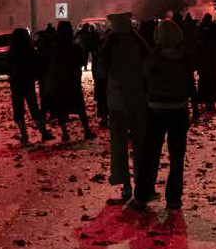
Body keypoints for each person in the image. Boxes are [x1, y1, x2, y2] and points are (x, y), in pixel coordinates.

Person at [130, 19, 198, 213]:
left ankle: (142, 194)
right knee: (177, 156)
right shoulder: (184, 58)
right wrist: (194, 106)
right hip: (179, 109)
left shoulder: (153, 58)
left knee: (150, 154)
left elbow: (144, 81)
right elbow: (190, 83)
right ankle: (173, 198)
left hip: (156, 109)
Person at [100, 12, 149, 203]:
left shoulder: (109, 47)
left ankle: (126, 186)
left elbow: (101, 72)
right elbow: (147, 69)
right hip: (138, 100)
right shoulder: (139, 44)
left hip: (117, 102)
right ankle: (141, 183)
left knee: (119, 145)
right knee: (140, 144)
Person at [43, 19, 95, 143]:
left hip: (59, 82)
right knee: (79, 107)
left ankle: (65, 133)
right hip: (73, 82)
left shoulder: (55, 48)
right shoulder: (74, 47)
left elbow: (49, 63)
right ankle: (86, 130)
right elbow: (82, 61)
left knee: (61, 108)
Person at [8, 27, 54, 145]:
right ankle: (43, 132)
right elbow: (38, 63)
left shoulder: (12, 52)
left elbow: (8, 67)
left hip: (15, 82)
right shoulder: (29, 50)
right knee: (34, 107)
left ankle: (24, 136)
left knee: (18, 109)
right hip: (27, 81)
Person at [196, 14, 216, 112]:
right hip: (212, 59)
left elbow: (197, 42)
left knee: (203, 80)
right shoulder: (214, 28)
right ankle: (211, 101)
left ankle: (204, 100)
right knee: (213, 81)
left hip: (203, 60)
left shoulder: (200, 29)